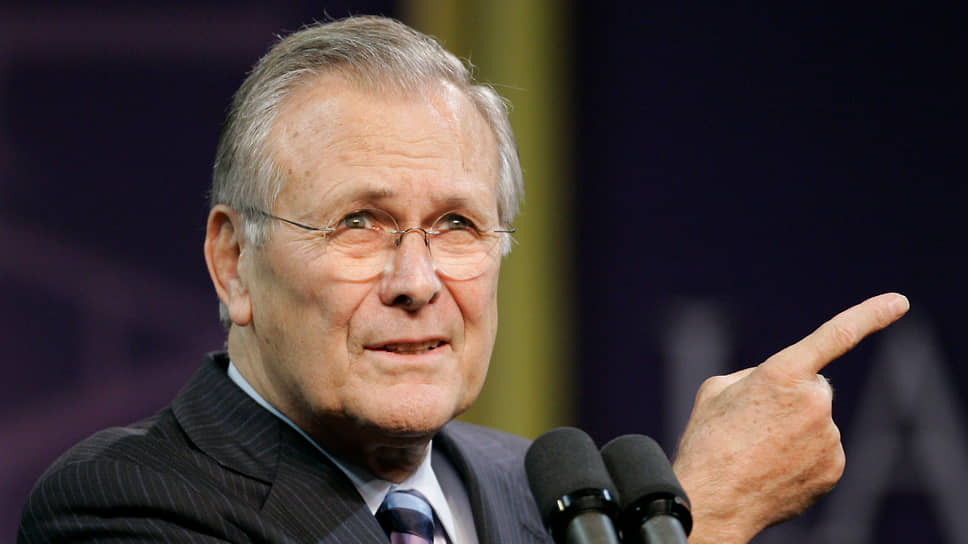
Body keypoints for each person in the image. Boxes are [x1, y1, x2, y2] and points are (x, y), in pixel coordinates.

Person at [18, 15, 909, 544]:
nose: (417, 280)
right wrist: (705, 521)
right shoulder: (124, 502)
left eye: (456, 225)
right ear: (232, 262)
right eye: (359, 223)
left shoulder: (543, 493)